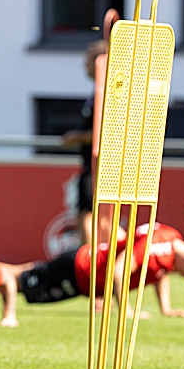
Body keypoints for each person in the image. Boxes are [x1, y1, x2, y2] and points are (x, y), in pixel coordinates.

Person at [12, 222, 184, 318]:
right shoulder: (157, 248)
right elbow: (119, 270)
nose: (179, 274)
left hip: (84, 273)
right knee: (20, 283)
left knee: (26, 278)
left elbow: (161, 273)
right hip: (81, 269)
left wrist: (166, 310)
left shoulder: (172, 238)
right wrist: (126, 310)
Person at [61, 39, 124, 247]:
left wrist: (77, 137)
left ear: (99, 62)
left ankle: (89, 260)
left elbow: (107, 132)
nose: (83, 65)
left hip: (99, 165)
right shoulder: (99, 90)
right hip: (94, 164)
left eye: (87, 60)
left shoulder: (108, 92)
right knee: (100, 218)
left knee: (88, 215)